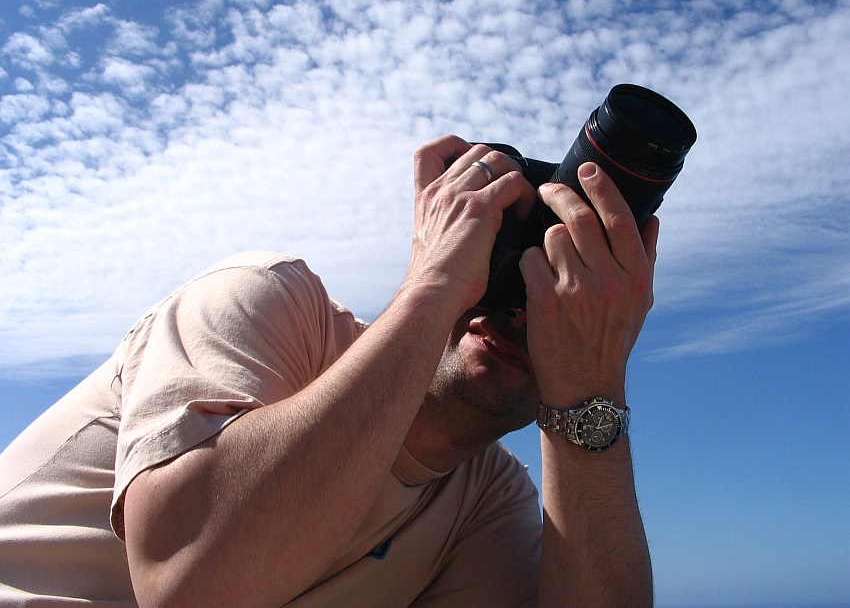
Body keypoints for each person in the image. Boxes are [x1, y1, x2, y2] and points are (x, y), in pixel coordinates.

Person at [0, 135, 657, 607]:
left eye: (553, 297)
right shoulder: (271, 303)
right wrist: (434, 282)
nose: (516, 310)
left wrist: (592, 389)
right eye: (500, 265)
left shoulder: (484, 504)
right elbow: (190, 586)